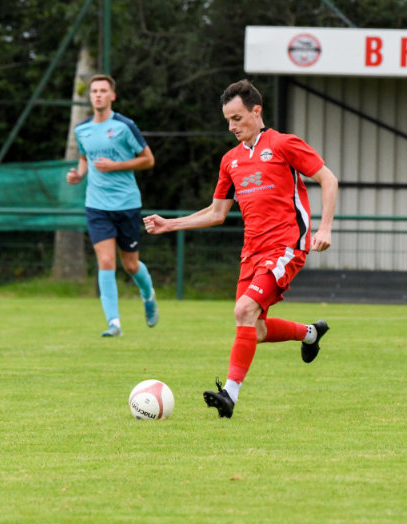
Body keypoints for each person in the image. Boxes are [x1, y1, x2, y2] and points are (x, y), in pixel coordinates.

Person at [143, 79, 338, 418]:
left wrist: (325, 228)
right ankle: (310, 333)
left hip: (286, 245)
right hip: (251, 253)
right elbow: (216, 213)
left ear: (256, 111)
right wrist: (170, 224)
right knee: (256, 329)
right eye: (228, 120)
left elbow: (328, 179)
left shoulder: (283, 144)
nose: (232, 127)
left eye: (237, 118)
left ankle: (229, 395)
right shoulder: (230, 161)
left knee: (243, 310)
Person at [66, 74, 159, 338]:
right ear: (90, 96)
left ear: (112, 96)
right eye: (94, 91)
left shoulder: (124, 126)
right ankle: (114, 323)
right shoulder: (82, 130)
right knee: (106, 261)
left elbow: (148, 160)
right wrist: (78, 175)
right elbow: (85, 157)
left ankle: (148, 295)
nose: (98, 95)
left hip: (126, 204)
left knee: (130, 265)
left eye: (103, 91)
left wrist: (116, 165)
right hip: (96, 206)